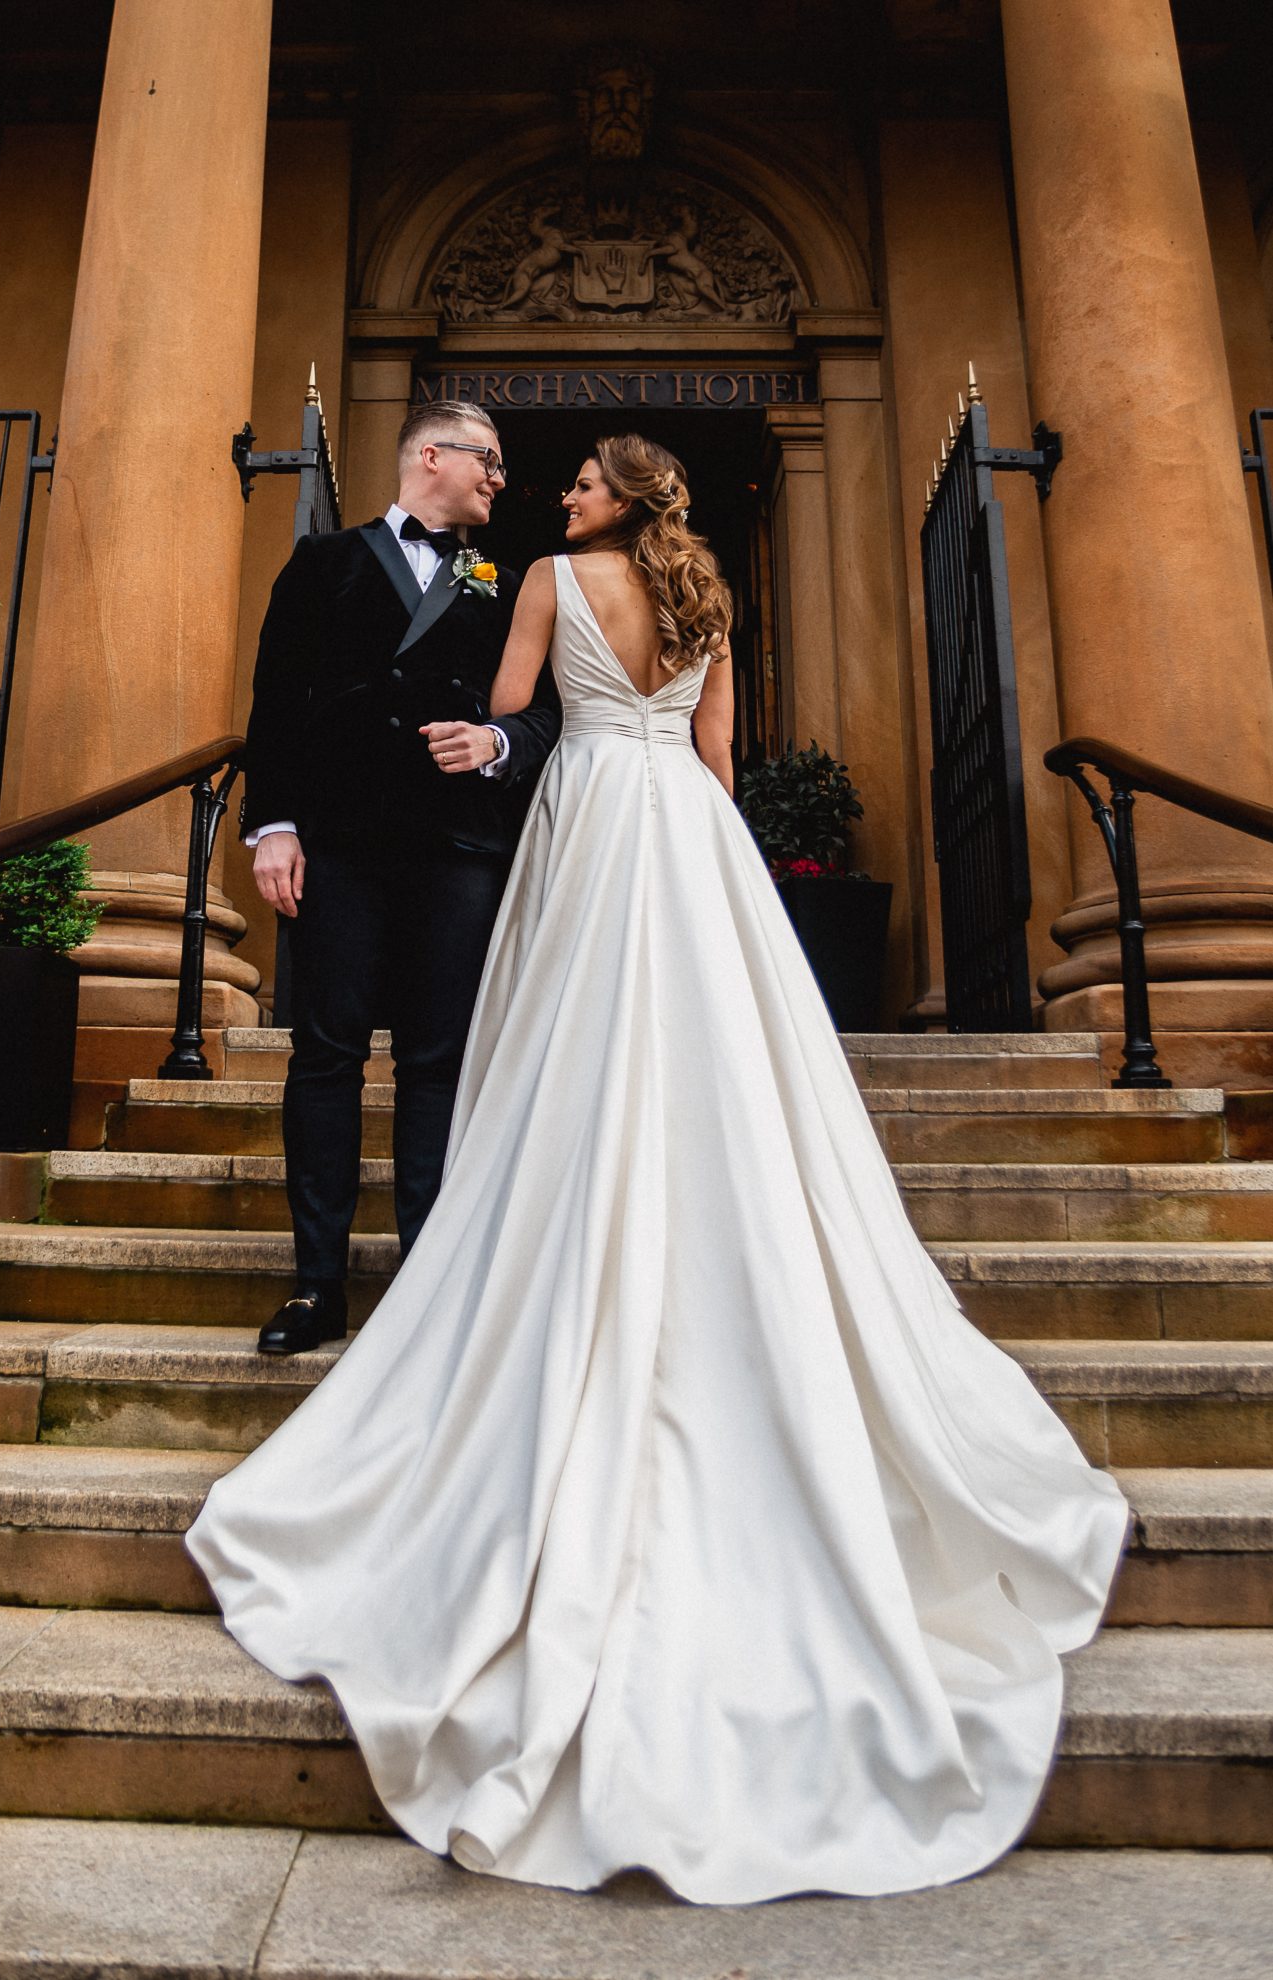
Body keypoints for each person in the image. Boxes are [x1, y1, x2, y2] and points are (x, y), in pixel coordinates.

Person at [188, 434, 1128, 1903]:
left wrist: (505, 737)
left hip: (587, 829)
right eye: (519, 474)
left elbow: (511, 718)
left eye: (573, 481)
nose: (548, 493)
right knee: (720, 1049)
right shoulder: (708, 599)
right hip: (688, 837)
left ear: (614, 497)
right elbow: (720, 761)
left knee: (562, 1045)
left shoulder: (550, 581)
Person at [242, 401, 560, 1354]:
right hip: (338, 844)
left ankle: (426, 1283)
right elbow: (275, 702)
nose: (500, 478)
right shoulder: (323, 563)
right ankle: (316, 1286)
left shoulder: (511, 580)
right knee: (326, 1054)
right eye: (488, 460)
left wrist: (497, 740)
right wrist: (276, 825)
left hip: (454, 848)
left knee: (437, 1062)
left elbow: (551, 710)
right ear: (432, 455)